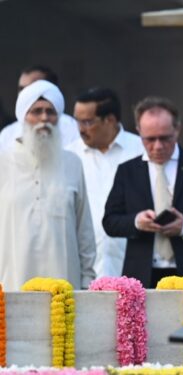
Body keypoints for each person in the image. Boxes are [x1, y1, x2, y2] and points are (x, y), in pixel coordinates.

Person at [103, 96, 183, 288]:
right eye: (149, 139)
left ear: (177, 129)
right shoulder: (127, 172)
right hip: (142, 275)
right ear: (139, 132)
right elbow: (110, 222)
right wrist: (136, 222)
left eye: (165, 138)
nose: (157, 146)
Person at [0, 80, 96, 291]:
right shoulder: (2, 162)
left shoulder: (72, 163)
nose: (44, 118)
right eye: (36, 111)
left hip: (64, 286)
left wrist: (87, 279)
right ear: (23, 117)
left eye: (50, 112)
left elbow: (84, 229)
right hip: (11, 285)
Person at [66, 88, 144, 278]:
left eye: (87, 122)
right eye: (77, 121)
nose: (80, 129)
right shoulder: (68, 156)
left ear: (110, 120)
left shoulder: (140, 151)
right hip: (85, 268)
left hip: (134, 263)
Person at [0, 66, 80, 151]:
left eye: (32, 88)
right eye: (21, 89)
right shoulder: (7, 134)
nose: (44, 117)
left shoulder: (74, 129)